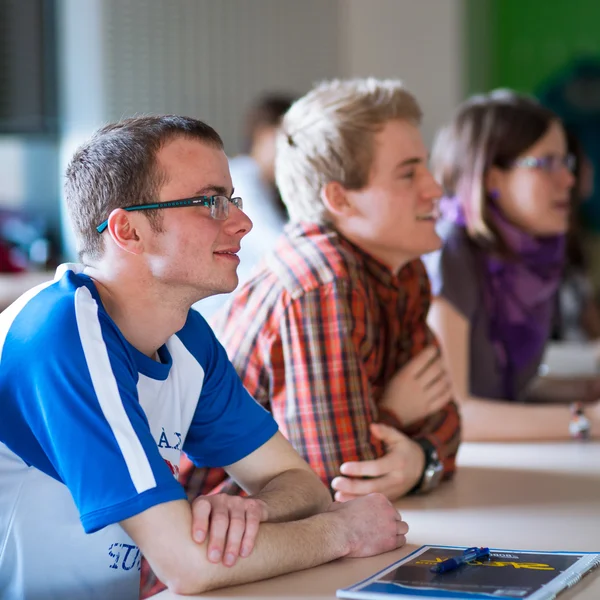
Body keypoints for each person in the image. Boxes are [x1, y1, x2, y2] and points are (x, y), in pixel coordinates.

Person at [0, 115, 409, 599]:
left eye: (232, 200)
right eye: (211, 202)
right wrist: (344, 532)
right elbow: (188, 566)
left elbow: (300, 484)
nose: (243, 221)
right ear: (128, 231)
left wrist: (254, 510)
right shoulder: (62, 333)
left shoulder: (183, 333)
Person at [182, 78, 461, 503]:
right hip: (230, 531)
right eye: (409, 173)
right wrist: (396, 411)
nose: (435, 189)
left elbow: (445, 416)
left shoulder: (403, 270)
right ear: (341, 200)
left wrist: (421, 459)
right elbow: (340, 481)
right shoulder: (321, 281)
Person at [424, 90, 600, 442]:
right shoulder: (451, 251)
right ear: (492, 179)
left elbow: (504, 393)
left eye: (566, 162)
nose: (568, 180)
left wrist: (586, 388)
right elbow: (454, 414)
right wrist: (587, 419)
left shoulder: (533, 257)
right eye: (546, 163)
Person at [196, 93, 294, 318]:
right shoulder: (240, 177)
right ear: (264, 133)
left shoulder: (271, 189)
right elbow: (276, 244)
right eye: (290, 140)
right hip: (224, 313)